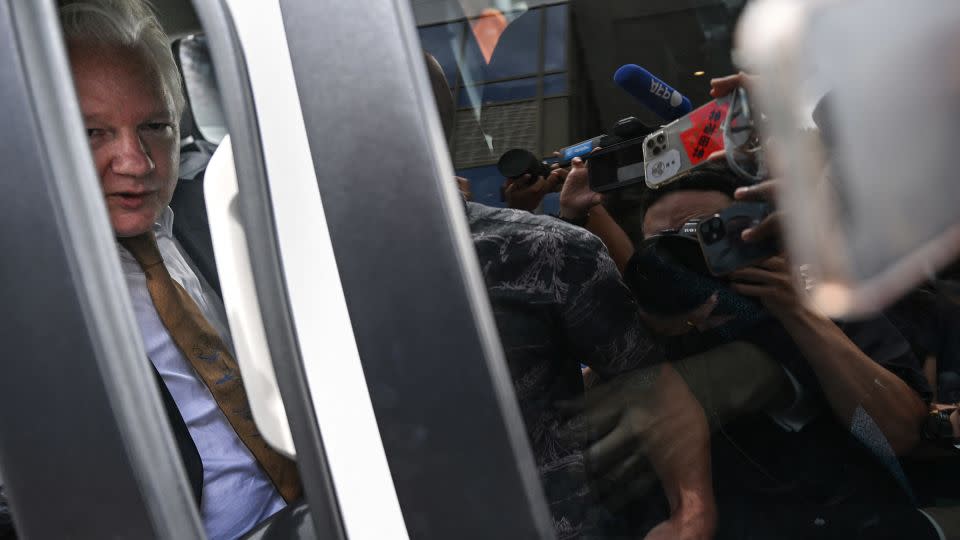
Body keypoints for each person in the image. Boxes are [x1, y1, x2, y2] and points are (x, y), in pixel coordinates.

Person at [58, 1, 300, 538]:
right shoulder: (32, 295)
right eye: (93, 133)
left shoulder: (225, 217)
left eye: (154, 125)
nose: (137, 162)